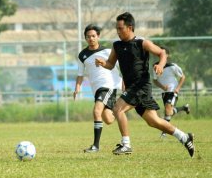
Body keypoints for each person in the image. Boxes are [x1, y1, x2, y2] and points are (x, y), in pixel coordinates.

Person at [95, 12, 195, 157]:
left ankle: (126, 144)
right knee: (153, 121)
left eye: (120, 28)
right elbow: (110, 64)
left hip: (141, 85)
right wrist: (103, 63)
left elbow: (162, 53)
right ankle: (185, 137)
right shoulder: (116, 46)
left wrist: (160, 65)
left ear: (130, 27)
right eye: (116, 28)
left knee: (118, 109)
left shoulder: (142, 43)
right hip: (132, 87)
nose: (118, 31)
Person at [73, 24, 122, 153]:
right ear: (85, 38)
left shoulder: (107, 51)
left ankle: (95, 146)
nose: (91, 38)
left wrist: (124, 82)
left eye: (93, 36)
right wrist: (77, 88)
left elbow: (120, 67)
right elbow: (80, 74)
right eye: (88, 36)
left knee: (96, 111)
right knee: (108, 119)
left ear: (98, 36)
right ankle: (122, 110)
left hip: (108, 85)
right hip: (96, 89)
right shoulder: (82, 55)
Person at [152, 46, 190, 138]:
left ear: (167, 56)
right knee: (169, 111)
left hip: (173, 91)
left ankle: (164, 132)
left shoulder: (173, 66)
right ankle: (184, 108)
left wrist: (178, 88)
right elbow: (155, 80)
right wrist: (162, 87)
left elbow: (183, 77)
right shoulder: (155, 66)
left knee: (168, 109)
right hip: (164, 92)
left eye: (163, 53)